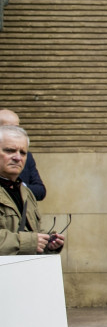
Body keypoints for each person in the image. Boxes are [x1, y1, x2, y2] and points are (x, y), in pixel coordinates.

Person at [0, 124, 64, 254]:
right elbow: (27, 240)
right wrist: (30, 242)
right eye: (9, 150)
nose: (18, 157)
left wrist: (47, 242)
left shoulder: (25, 191)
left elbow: (29, 231)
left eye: (23, 153)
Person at [0, 108, 45, 200]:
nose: (17, 157)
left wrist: (17, 186)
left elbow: (40, 191)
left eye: (17, 128)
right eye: (9, 151)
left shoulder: (27, 157)